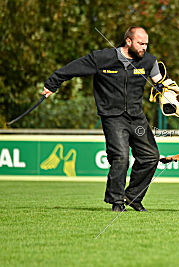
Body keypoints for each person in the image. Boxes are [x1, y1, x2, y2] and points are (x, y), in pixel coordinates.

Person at [43, 26, 163, 212]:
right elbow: (73, 68)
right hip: (112, 117)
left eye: (146, 43)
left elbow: (162, 83)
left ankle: (133, 197)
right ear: (128, 42)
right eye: (140, 43)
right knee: (121, 157)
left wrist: (174, 97)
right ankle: (117, 201)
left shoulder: (149, 61)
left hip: (137, 117)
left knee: (151, 157)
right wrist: (52, 84)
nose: (144, 47)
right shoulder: (102, 58)